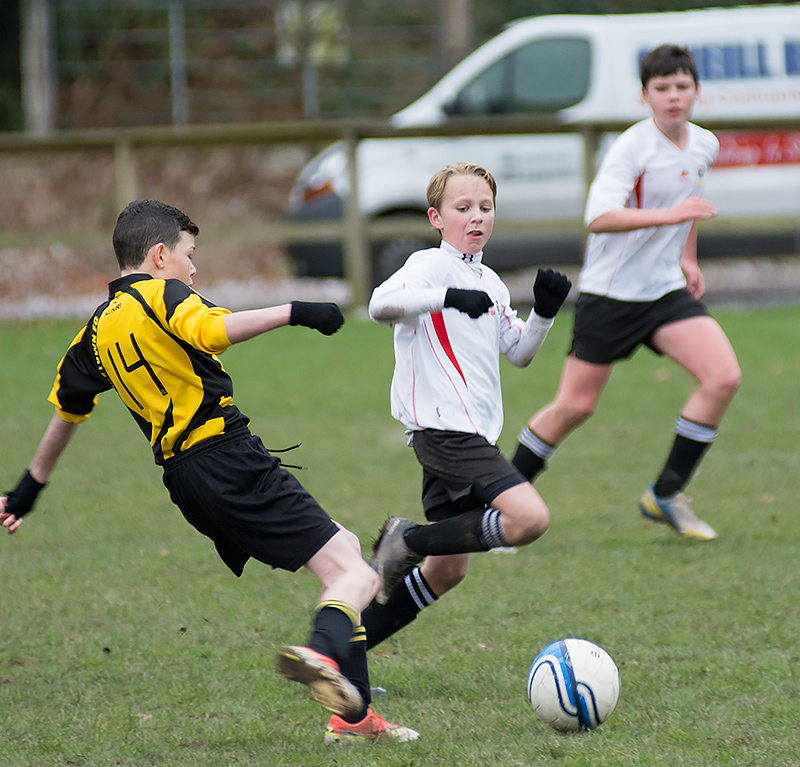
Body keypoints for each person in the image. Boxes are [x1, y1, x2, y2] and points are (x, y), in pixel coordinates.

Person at [0, 199, 418, 745]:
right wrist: (295, 310)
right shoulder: (167, 294)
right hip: (226, 457)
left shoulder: (97, 330)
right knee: (356, 577)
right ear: (157, 255)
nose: (193, 269)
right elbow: (213, 329)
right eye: (188, 255)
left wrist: (28, 489)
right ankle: (321, 652)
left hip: (186, 480)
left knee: (340, 556)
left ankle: (354, 720)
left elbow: (67, 410)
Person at [511, 44, 741, 541]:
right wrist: (671, 218)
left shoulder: (704, 144)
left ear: (696, 91)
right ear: (645, 95)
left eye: (683, 86)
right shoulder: (632, 148)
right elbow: (599, 218)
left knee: (722, 377)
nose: (674, 96)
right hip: (612, 296)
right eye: (662, 88)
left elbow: (690, 206)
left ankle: (665, 494)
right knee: (575, 407)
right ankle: (504, 505)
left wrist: (686, 256)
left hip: (664, 292)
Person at [363, 162, 572, 649]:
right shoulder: (430, 266)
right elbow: (378, 305)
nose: (476, 217)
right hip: (443, 431)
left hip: (473, 434)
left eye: (485, 207)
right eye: (463, 209)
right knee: (529, 519)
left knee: (449, 568)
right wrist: (447, 297)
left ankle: (341, 651)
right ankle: (406, 539)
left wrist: (543, 312)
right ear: (437, 218)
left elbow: (518, 353)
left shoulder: (493, 283)